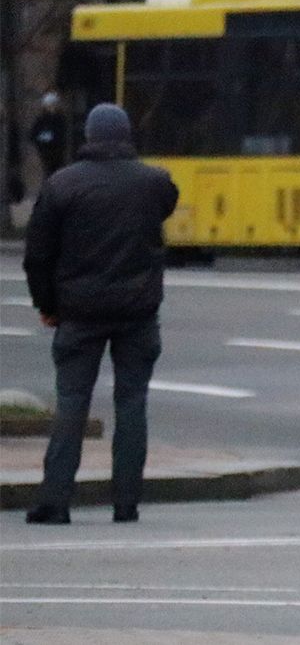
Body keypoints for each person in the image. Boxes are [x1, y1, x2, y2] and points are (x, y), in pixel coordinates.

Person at [23, 103, 179, 525]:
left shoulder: (62, 186)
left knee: (71, 402)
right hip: (138, 312)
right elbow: (164, 210)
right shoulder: (156, 183)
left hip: (79, 313)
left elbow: (38, 255)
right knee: (132, 403)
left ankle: (56, 501)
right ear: (127, 135)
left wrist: (48, 306)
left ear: (89, 136)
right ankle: (126, 503)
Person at [29, 91, 68, 177]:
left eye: (53, 105)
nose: (51, 108)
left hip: (57, 153)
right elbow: (32, 134)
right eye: (49, 105)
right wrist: (42, 138)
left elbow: (61, 135)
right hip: (44, 152)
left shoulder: (60, 119)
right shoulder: (41, 120)